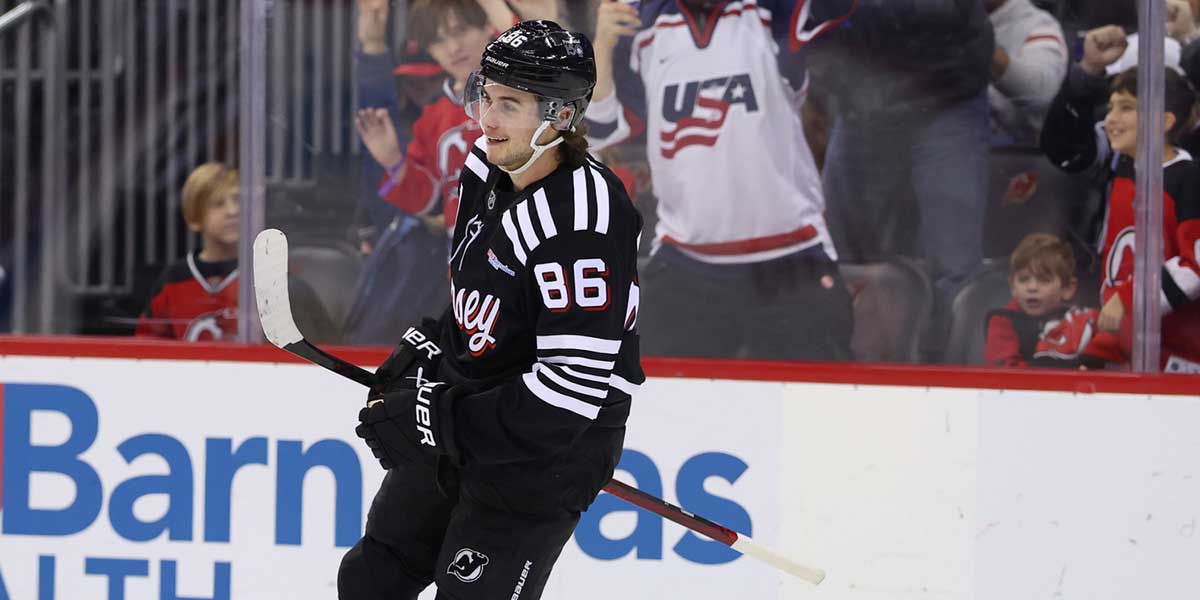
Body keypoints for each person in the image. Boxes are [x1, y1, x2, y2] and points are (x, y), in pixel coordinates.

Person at [341, 21, 645, 600]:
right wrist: (426, 349)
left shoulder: (582, 222)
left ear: (559, 116)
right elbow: (477, 297)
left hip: (547, 446)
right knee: (373, 576)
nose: (486, 117)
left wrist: (442, 421)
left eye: (509, 103)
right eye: (484, 93)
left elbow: (570, 392)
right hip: (471, 401)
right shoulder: (486, 161)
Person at [583, 0, 856, 360]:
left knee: (814, 407)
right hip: (686, 266)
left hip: (791, 261)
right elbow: (603, 129)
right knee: (666, 406)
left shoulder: (772, 11)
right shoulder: (642, 23)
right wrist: (602, 45)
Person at [808, 0, 993, 313]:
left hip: (948, 98)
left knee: (954, 262)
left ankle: (949, 358)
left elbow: (940, 11)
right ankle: (839, 350)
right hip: (864, 99)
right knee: (841, 250)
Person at [1041, 55, 1200, 372]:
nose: (1111, 118)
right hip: (1126, 348)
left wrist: (1129, 300)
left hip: (1180, 359)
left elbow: (1195, 264)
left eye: (1126, 108)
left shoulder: (1189, 178)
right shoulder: (1124, 173)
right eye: (1111, 107)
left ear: (1164, 122)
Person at [136, 163, 240, 341]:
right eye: (218, 204)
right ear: (194, 219)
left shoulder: (269, 277)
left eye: (238, 200)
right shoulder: (174, 278)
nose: (233, 211)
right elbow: (148, 342)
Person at [984, 233, 1103, 368]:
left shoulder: (1083, 320)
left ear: (1067, 288)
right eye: (1024, 279)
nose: (1032, 287)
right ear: (1012, 287)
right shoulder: (1003, 322)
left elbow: (1110, 351)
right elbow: (1006, 374)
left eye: (1043, 280)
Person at [987, 0, 1069, 143]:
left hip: (1012, 153)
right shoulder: (940, 23)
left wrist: (979, 44)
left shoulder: (1039, 26)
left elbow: (1042, 93)